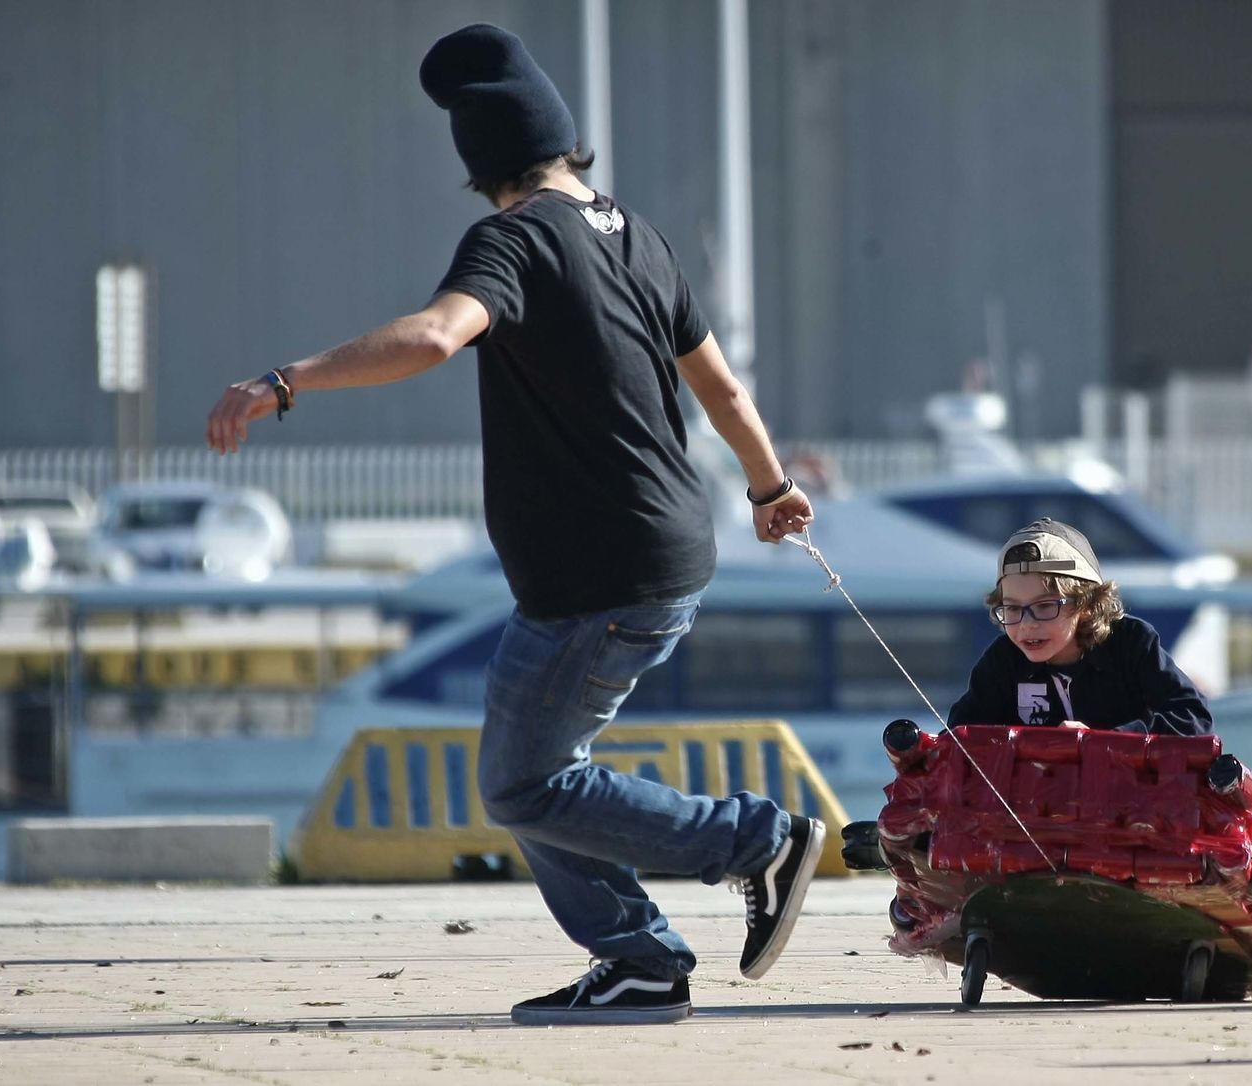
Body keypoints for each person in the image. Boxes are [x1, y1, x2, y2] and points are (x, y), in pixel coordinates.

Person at [205, 23, 825, 1026]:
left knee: (526, 783)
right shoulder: (637, 234)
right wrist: (765, 489)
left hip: (603, 576)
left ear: (480, 164)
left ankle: (749, 846)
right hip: (652, 558)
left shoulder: (514, 239)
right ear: (565, 140)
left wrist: (287, 380)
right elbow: (720, 387)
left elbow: (435, 335)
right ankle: (638, 961)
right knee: (529, 768)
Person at [948, 518, 1212, 736]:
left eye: (1045, 607)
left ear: (1086, 604)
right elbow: (960, 735)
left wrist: (1104, 740)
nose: (1027, 624)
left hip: (1132, 794)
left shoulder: (1131, 644)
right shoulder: (1003, 661)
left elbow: (1193, 718)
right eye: (1013, 608)